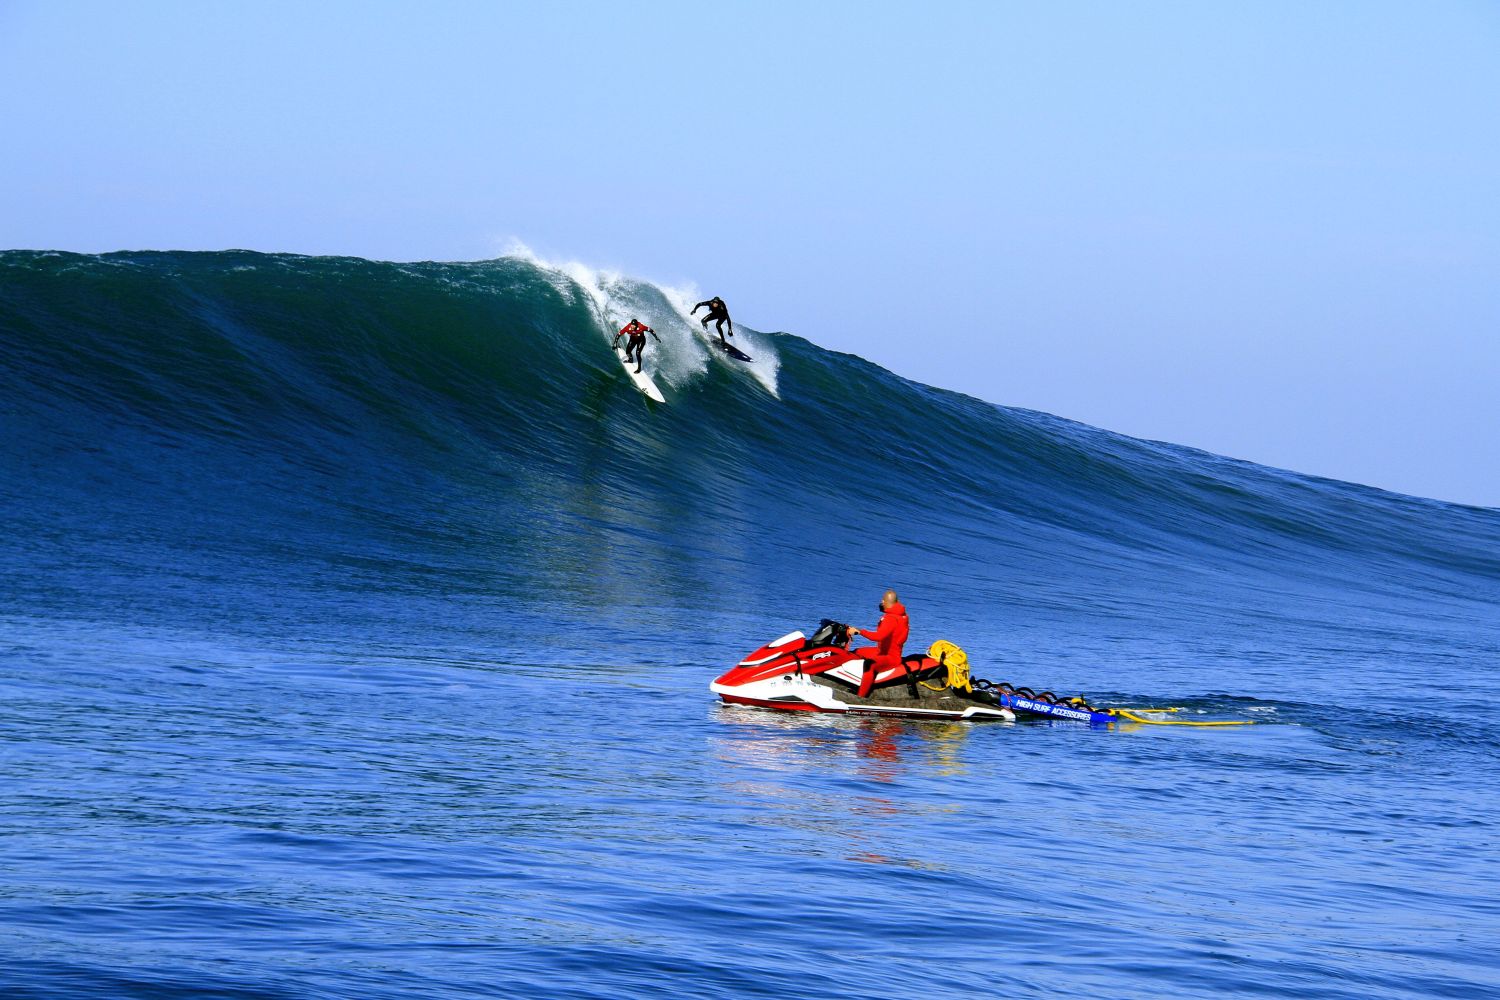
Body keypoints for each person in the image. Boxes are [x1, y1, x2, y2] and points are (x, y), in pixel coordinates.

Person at [848, 590, 909, 699]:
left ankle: (861, 697)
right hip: (882, 651)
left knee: (869, 665)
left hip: (890, 657)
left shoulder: (891, 618)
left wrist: (860, 631)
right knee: (857, 652)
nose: (881, 601)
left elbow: (878, 636)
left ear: (886, 602)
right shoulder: (902, 615)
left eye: (883, 600)